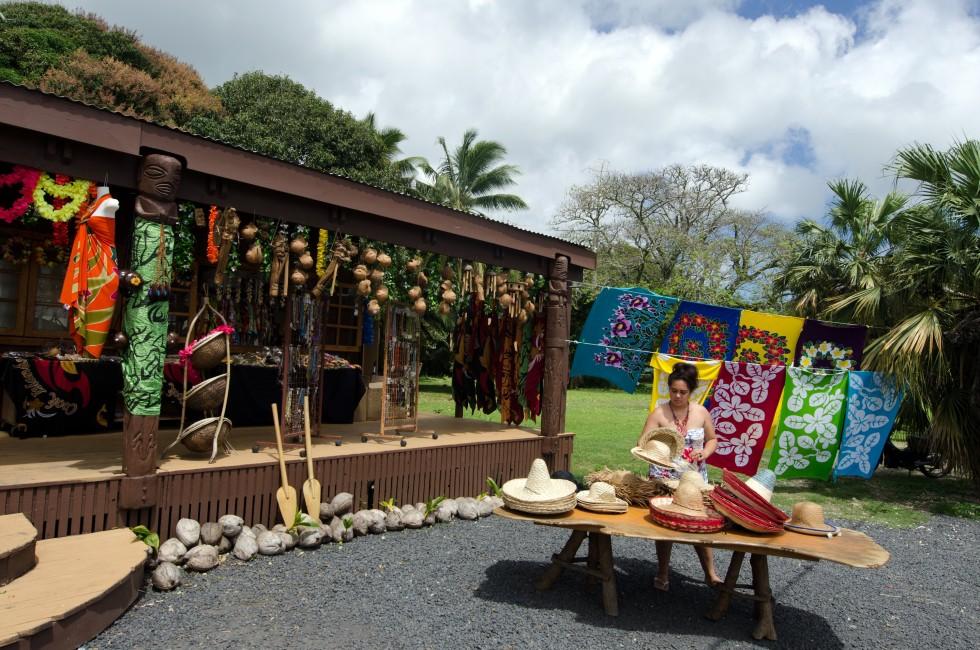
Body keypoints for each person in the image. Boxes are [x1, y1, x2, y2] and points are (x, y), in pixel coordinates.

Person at [641, 361, 720, 591]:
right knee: (666, 525)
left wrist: (704, 452)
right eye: (674, 391)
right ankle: (663, 572)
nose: (677, 396)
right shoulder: (659, 413)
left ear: (691, 391)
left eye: (682, 392)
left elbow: (712, 439)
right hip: (664, 476)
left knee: (700, 522)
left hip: (694, 476)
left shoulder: (701, 412)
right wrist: (659, 452)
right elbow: (642, 442)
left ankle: (711, 574)